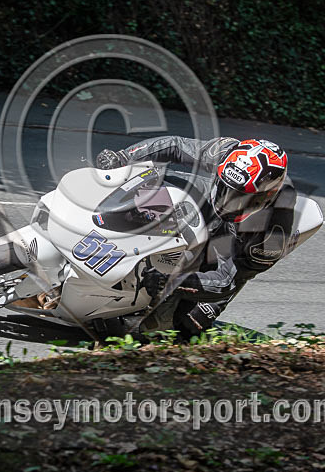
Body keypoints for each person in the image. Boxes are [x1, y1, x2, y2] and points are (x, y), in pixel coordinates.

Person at [95, 136, 297, 337]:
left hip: (241, 238)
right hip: (207, 192)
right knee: (151, 190)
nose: (228, 202)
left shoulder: (274, 230)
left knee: (188, 323)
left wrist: (173, 282)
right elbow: (174, 146)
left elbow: (228, 280)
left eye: (240, 199)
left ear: (266, 197)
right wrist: (123, 158)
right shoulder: (225, 152)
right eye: (227, 191)